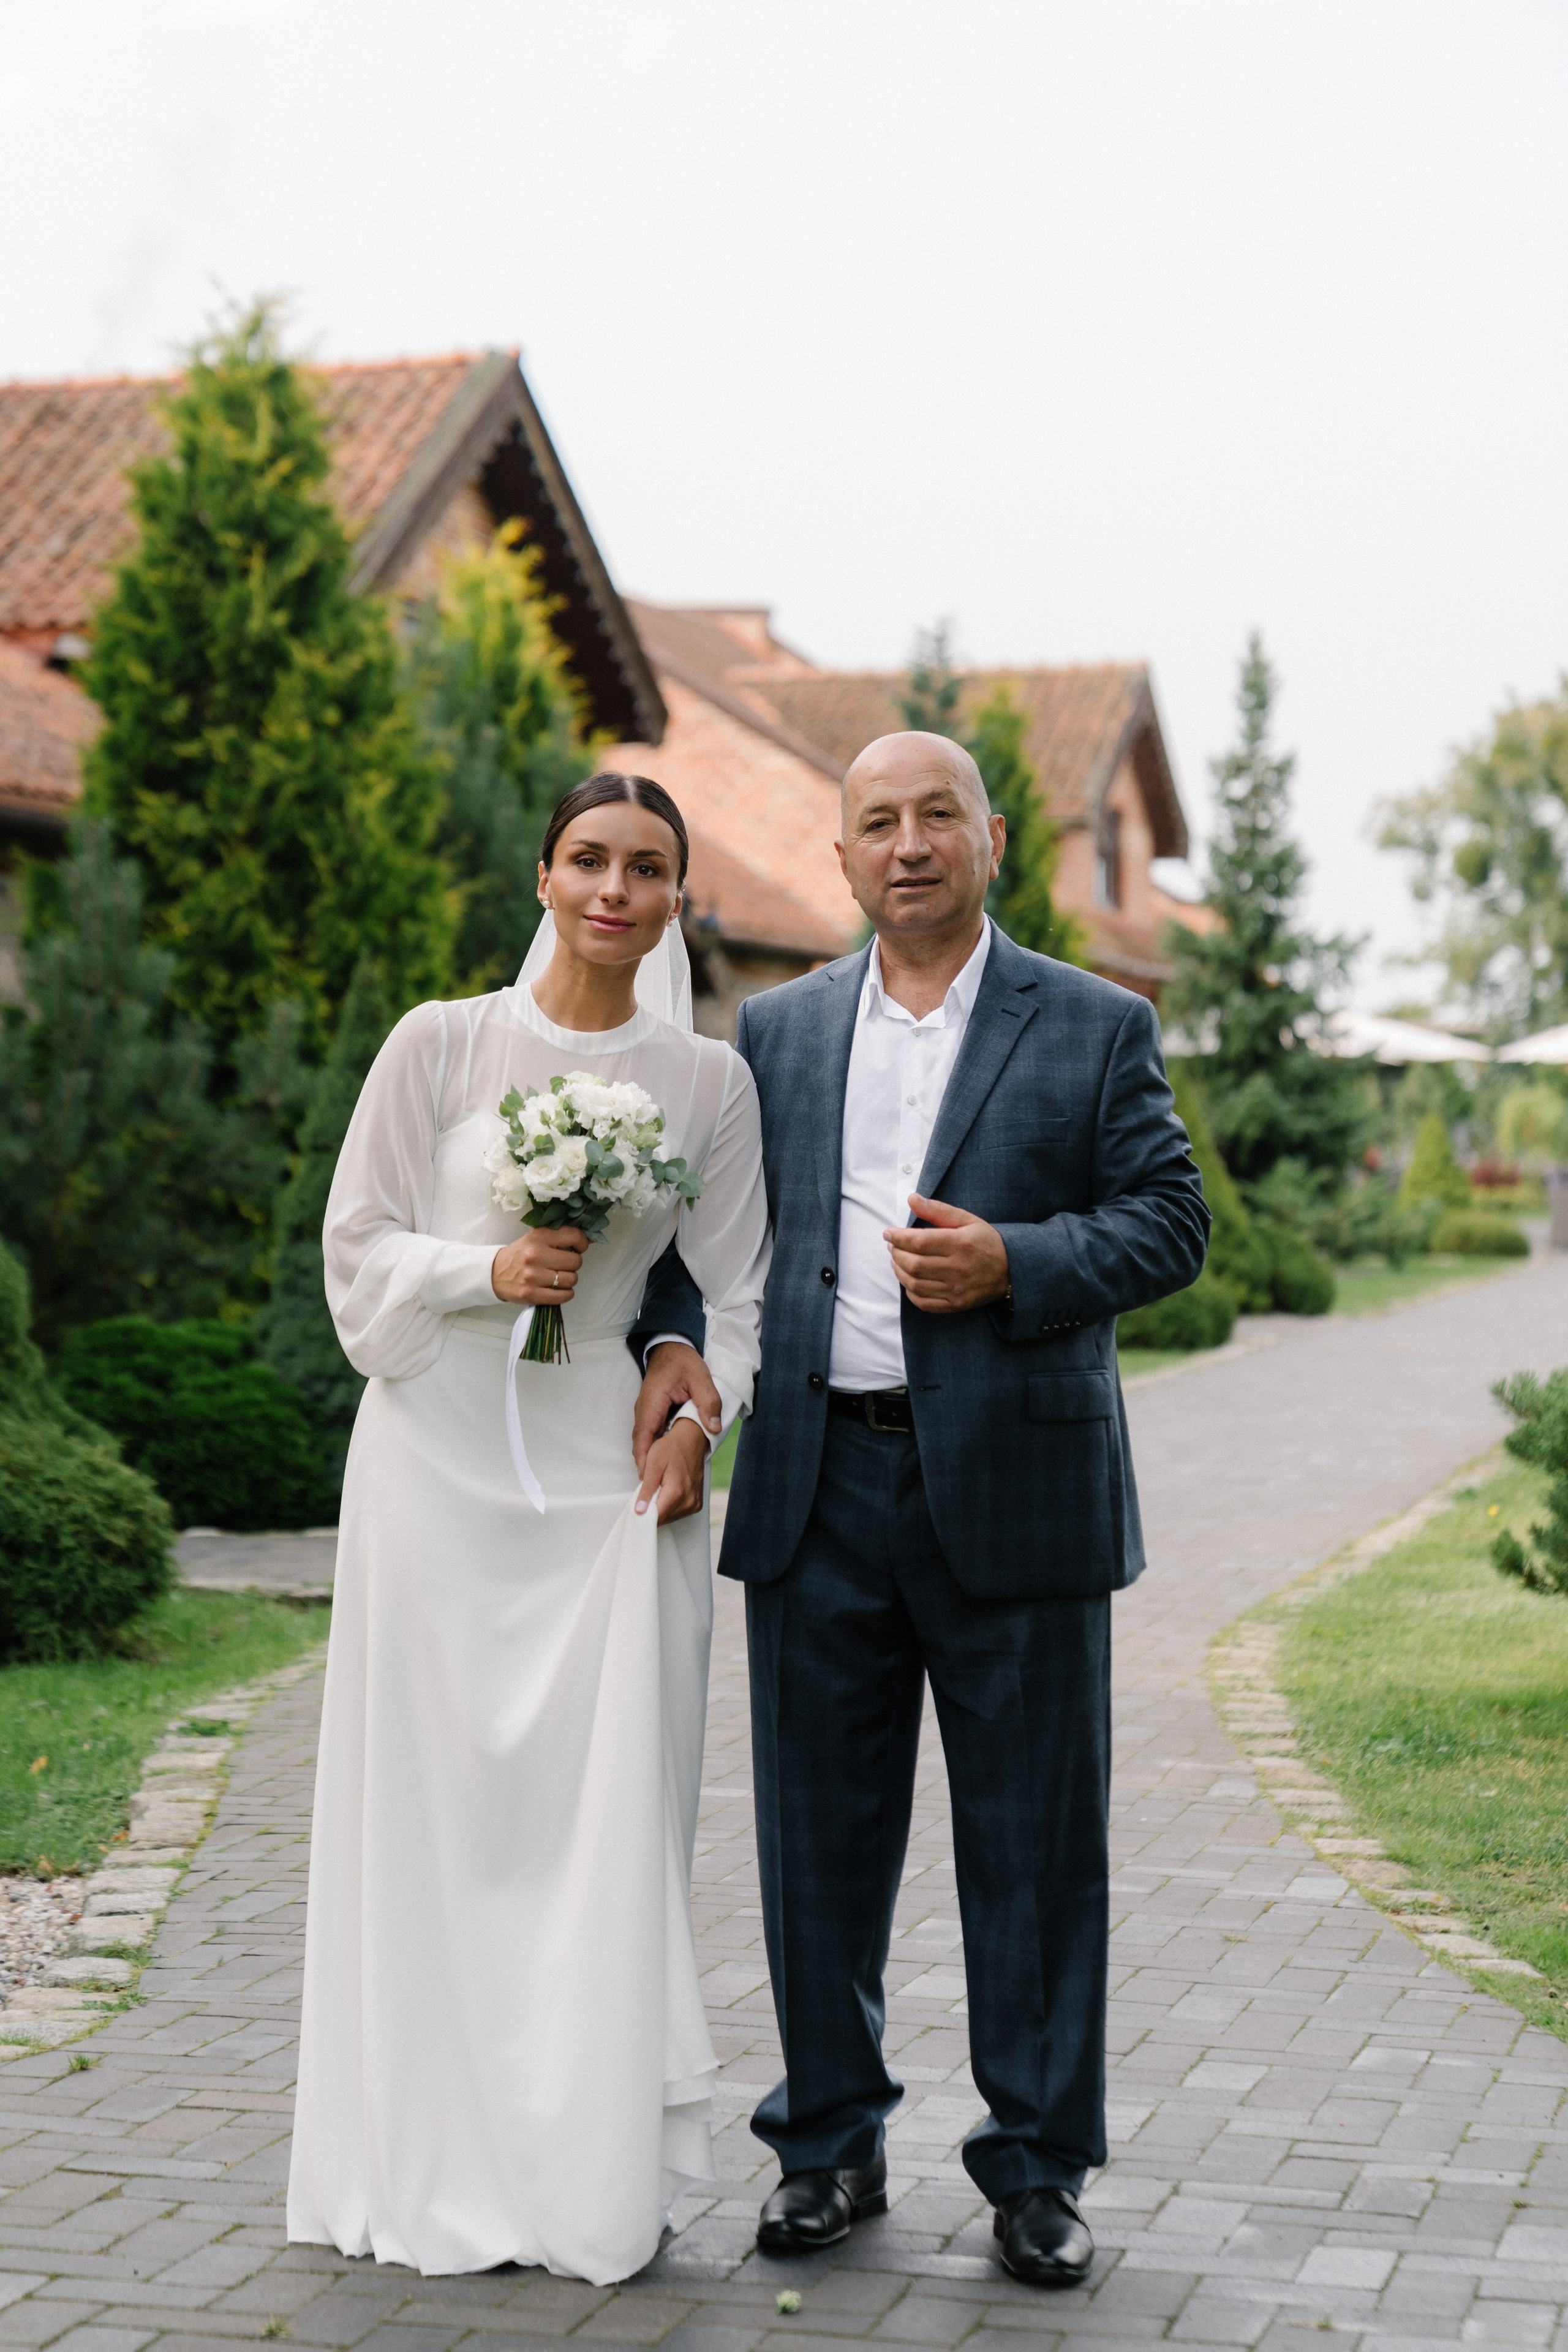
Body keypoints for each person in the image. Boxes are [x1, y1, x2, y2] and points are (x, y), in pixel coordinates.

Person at [633, 731, 1208, 2288]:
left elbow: (1169, 1223)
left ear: (990, 837)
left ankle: (1035, 2170)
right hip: (818, 1491)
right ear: (840, 859)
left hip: (1016, 1497)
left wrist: (1014, 1263)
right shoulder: (779, 1030)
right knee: (816, 1847)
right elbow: (705, 1242)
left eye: (933, 815)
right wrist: (677, 1356)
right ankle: (825, 2147)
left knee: (1031, 1852)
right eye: (875, 822)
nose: (906, 844)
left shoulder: (1092, 1026)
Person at [287, 774, 770, 2287]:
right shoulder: (437, 1043)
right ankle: (422, 2156)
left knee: (597, 1824)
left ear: (677, 899)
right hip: (434, 1470)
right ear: (544, 876)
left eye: (648, 869)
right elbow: (355, 1241)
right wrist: (482, 1271)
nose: (616, 889)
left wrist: (697, 1415)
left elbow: (739, 1299)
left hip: (607, 1493)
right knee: (433, 1813)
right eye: (589, 860)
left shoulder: (707, 1085)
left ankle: (581, 2172)